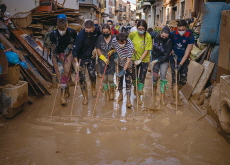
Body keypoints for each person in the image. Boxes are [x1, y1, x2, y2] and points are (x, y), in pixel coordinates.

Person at [50, 14, 77, 105]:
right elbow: (53, 48)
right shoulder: (53, 34)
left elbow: (75, 44)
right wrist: (57, 59)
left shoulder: (72, 32)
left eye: (64, 29)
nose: (63, 31)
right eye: (61, 30)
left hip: (68, 54)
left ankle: (67, 90)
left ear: (66, 25)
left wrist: (75, 59)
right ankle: (62, 97)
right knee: (61, 75)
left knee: (66, 72)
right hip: (57, 55)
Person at [72, 20, 101, 105]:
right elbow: (75, 50)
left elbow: (100, 39)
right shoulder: (80, 35)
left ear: (93, 28)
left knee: (92, 74)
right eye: (86, 30)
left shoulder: (97, 31)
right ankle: (85, 97)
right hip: (81, 58)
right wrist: (76, 63)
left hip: (91, 56)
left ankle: (93, 86)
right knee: (82, 78)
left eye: (90, 30)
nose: (88, 32)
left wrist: (96, 48)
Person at [169, 20, 194, 105]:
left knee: (183, 80)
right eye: (179, 29)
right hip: (174, 59)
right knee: (175, 78)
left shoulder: (190, 35)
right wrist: (171, 50)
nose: (180, 31)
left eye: (182, 29)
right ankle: (175, 99)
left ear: (186, 28)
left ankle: (175, 90)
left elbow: (187, 52)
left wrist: (180, 65)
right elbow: (168, 44)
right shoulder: (172, 34)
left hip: (184, 60)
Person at [128, 19, 152, 105]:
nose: (140, 30)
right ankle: (135, 87)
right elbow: (128, 42)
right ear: (136, 27)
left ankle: (139, 97)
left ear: (145, 29)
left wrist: (140, 60)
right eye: (139, 28)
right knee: (134, 77)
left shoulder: (148, 36)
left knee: (142, 78)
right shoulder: (133, 34)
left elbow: (146, 50)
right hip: (134, 58)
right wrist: (131, 48)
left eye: (142, 29)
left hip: (144, 60)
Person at [150, 26, 172, 105]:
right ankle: (154, 91)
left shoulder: (169, 42)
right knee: (155, 77)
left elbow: (166, 55)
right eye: (163, 36)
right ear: (160, 33)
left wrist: (158, 60)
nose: (164, 38)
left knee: (163, 77)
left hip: (163, 61)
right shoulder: (155, 36)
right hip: (154, 59)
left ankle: (162, 97)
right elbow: (149, 31)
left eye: (166, 37)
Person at [112, 33, 134, 108]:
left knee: (128, 82)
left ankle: (128, 100)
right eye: (119, 43)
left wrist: (123, 71)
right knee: (119, 81)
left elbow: (128, 61)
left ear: (125, 40)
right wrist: (115, 54)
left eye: (123, 42)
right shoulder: (114, 40)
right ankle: (120, 94)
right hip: (119, 62)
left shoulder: (130, 45)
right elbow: (114, 48)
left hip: (128, 64)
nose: (121, 44)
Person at [95, 24, 116, 101]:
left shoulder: (114, 38)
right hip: (102, 61)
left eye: (107, 32)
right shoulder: (99, 38)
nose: (105, 33)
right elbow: (98, 50)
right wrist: (103, 59)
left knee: (110, 78)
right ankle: (106, 93)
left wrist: (113, 50)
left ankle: (112, 92)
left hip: (112, 60)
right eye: (104, 32)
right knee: (104, 79)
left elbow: (117, 47)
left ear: (110, 31)